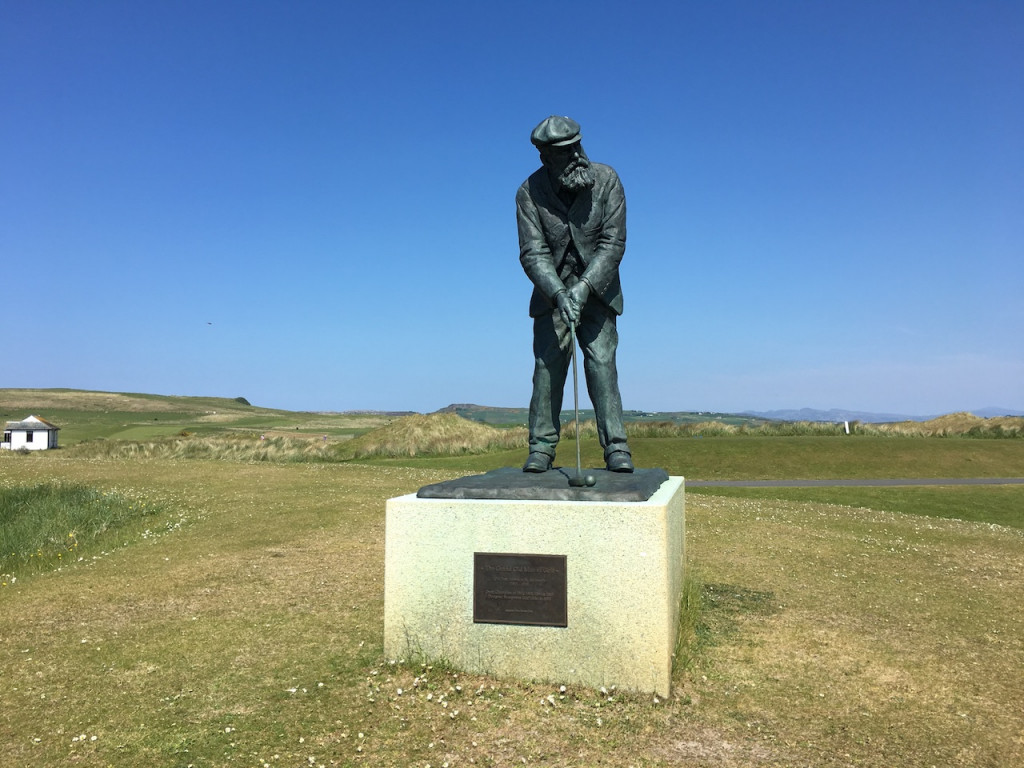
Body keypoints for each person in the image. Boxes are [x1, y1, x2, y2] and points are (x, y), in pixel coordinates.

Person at [517, 115, 633, 474]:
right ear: (545, 156)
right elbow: (532, 253)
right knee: (548, 368)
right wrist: (558, 292)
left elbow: (613, 243)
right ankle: (541, 448)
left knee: (601, 363)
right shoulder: (528, 193)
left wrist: (583, 289)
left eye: (576, 147)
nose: (575, 156)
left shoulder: (607, 181)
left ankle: (616, 447)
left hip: (597, 290)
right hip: (552, 294)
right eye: (564, 153)